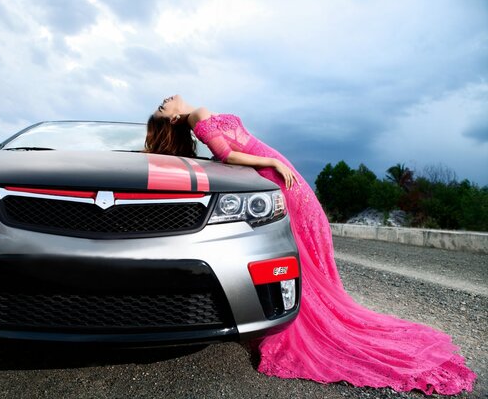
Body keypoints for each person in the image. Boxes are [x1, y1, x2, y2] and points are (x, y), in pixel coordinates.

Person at [144, 95, 477, 395]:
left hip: (280, 170)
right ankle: (301, 313)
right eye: (162, 106)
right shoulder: (196, 116)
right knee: (305, 233)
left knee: (309, 231)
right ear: (173, 119)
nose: (165, 99)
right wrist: (273, 164)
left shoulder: (197, 115)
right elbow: (228, 155)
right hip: (276, 172)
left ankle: (299, 303)